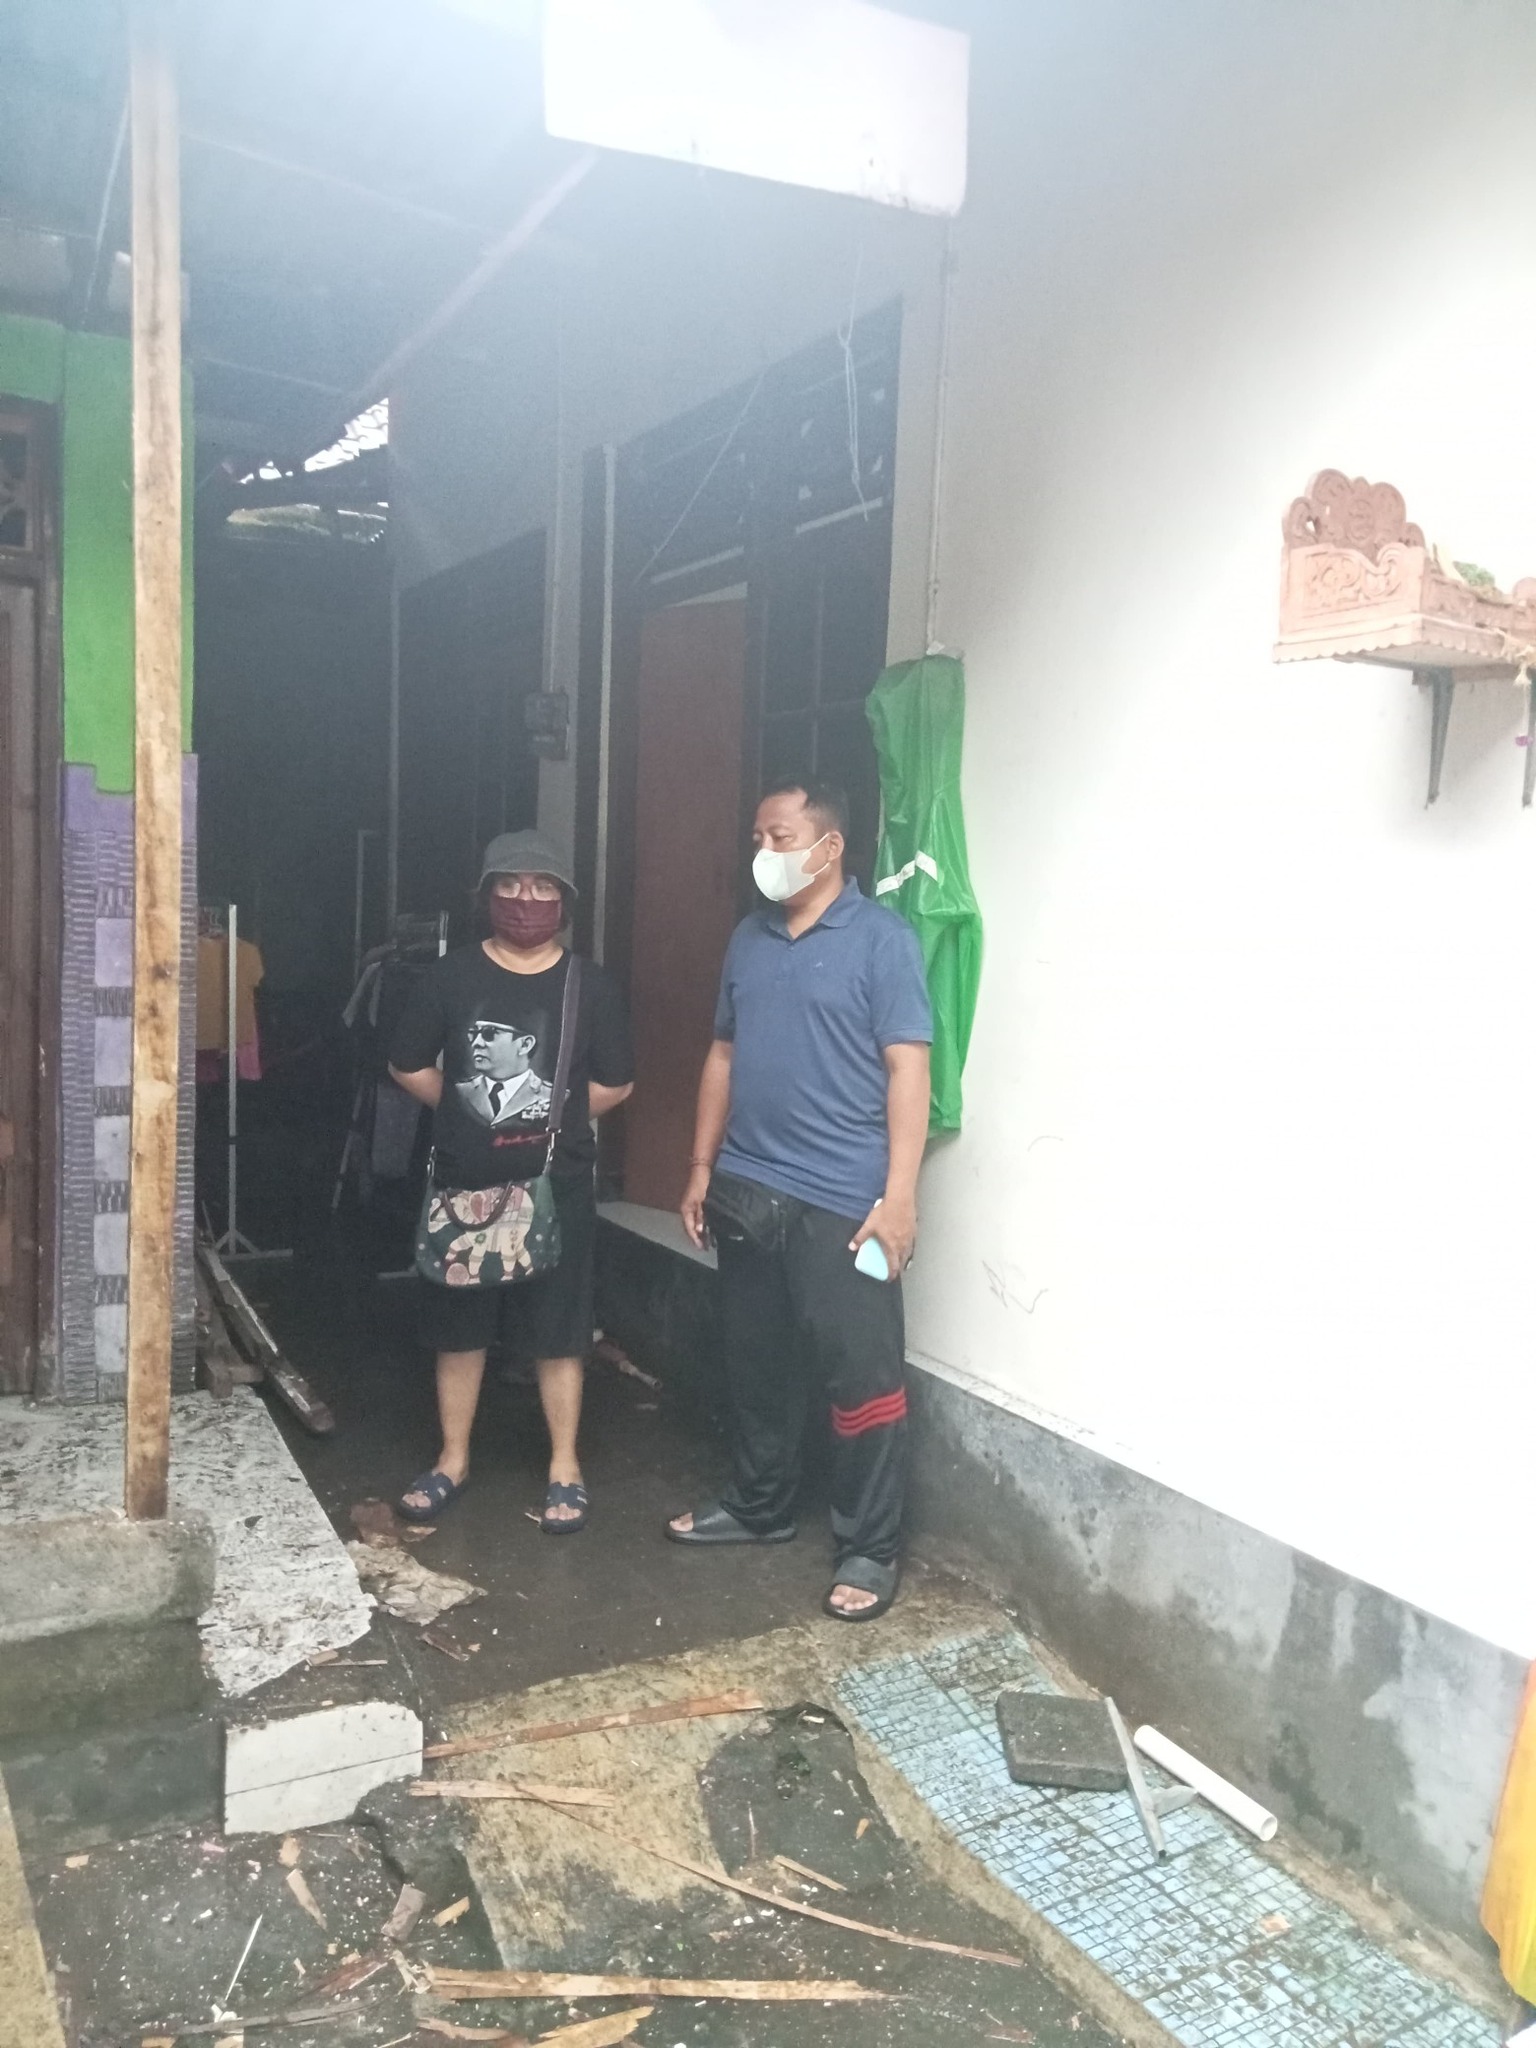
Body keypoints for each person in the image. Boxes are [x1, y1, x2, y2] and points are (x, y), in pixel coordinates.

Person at [668, 780, 933, 1620]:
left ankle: (869, 1547)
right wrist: (701, 1167)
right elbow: (722, 1054)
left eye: (778, 837)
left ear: (829, 847)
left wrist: (899, 1198)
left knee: (863, 1376)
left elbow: (908, 1069)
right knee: (757, 1361)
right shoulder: (748, 939)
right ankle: (760, 1506)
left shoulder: (882, 941)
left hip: (846, 1199)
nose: (763, 852)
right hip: (750, 1185)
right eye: (758, 837)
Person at [388, 829, 633, 1531]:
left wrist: (552, 1119)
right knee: (459, 1329)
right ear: (488, 895)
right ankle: (452, 1460)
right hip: (462, 1185)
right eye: (511, 885)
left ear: (565, 901)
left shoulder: (591, 985)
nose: (527, 899)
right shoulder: (449, 978)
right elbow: (407, 1064)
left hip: (558, 1186)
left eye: (543, 886)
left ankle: (565, 1468)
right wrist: (466, 1112)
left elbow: (617, 1082)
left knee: (560, 1330)